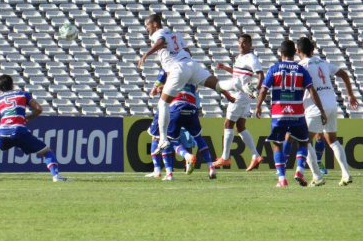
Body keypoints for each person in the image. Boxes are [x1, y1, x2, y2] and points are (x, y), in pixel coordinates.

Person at [137, 14, 256, 155]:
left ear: (155, 24)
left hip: (178, 68)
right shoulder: (175, 33)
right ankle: (241, 85)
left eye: (148, 25)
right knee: (217, 85)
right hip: (191, 64)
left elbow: (161, 41)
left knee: (163, 103)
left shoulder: (158, 33)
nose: (147, 28)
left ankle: (163, 139)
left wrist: (146, 55)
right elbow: (187, 51)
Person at [255, 40, 327, 187]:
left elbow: (263, 90)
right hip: (297, 114)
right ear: (295, 53)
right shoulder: (301, 70)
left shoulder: (274, 69)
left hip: (278, 113)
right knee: (303, 142)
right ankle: (299, 170)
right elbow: (312, 91)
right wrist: (321, 110)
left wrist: (258, 107)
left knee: (277, 144)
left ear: (281, 54)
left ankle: (282, 179)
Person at [296, 37, 358, 186]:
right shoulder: (323, 62)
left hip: (315, 106)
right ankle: (346, 174)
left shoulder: (301, 66)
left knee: (303, 141)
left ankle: (317, 176)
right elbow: (343, 74)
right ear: (312, 50)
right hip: (331, 104)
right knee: (333, 140)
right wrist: (350, 95)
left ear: (298, 51)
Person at [0, 74, 68, 182]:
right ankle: (56, 176)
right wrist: (28, 117)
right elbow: (39, 109)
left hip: (3, 132)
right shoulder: (22, 94)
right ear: (12, 85)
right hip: (19, 131)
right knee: (47, 151)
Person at [147, 69, 229, 180]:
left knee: (169, 140)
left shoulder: (172, 73)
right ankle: (211, 167)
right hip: (191, 108)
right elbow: (195, 88)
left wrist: (159, 88)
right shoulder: (193, 73)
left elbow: (161, 88)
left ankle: (171, 171)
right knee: (198, 138)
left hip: (175, 107)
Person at [213, 34, 265, 171]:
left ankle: (225, 158)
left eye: (245, 43)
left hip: (240, 95)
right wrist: (225, 68)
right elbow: (238, 75)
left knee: (228, 124)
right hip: (243, 95)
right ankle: (255, 156)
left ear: (250, 44)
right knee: (240, 126)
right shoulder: (240, 58)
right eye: (240, 42)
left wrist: (256, 90)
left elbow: (260, 74)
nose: (241, 45)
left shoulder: (251, 58)